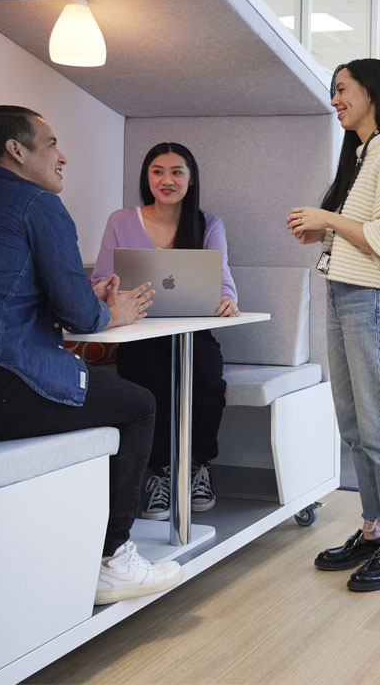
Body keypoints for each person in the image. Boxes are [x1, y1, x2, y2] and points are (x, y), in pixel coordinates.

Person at [0, 105, 182, 605]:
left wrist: (90, 300)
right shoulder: (37, 204)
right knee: (140, 404)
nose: (62, 156)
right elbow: (80, 317)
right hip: (10, 384)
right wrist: (113, 311)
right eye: (50, 145)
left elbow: (9, 287)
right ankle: (113, 558)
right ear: (16, 150)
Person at [287, 58, 380, 592]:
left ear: (372, 92)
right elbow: (369, 232)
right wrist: (327, 232)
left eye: (342, 89)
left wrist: (328, 219)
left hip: (372, 298)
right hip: (347, 292)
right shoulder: (365, 154)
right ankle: (374, 529)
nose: (334, 100)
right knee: (354, 423)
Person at [92, 142, 239, 520]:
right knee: (149, 384)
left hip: (192, 332)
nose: (166, 180)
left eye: (177, 172)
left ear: (191, 180)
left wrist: (226, 301)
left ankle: (197, 466)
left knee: (208, 382)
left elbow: (222, 282)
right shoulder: (121, 220)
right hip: (137, 331)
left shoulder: (208, 224)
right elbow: (98, 280)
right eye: (157, 171)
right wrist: (111, 293)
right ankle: (160, 473)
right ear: (147, 177)